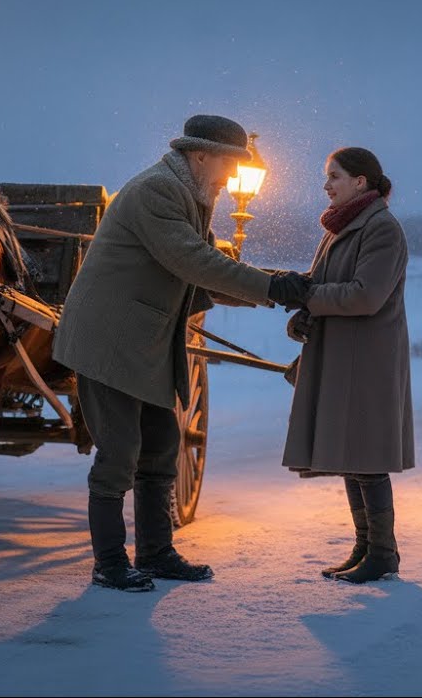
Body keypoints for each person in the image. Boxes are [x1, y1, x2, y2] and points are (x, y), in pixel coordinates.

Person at [54, 115, 311, 592]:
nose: (231, 178)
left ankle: (156, 552)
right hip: (109, 340)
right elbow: (194, 262)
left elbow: (210, 268)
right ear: (200, 155)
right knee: (119, 453)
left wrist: (284, 285)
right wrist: (274, 287)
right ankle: (109, 563)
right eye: (229, 165)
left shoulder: (190, 195)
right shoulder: (158, 191)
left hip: (145, 341)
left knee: (161, 447)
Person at [281, 147, 415, 584]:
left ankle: (384, 553)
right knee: (352, 456)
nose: (326, 185)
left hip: (368, 359)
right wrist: (304, 313)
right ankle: (365, 547)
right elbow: (322, 284)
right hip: (343, 354)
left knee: (367, 457)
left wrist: (308, 299)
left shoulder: (382, 229)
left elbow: (364, 295)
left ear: (361, 182)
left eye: (334, 176)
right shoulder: (340, 227)